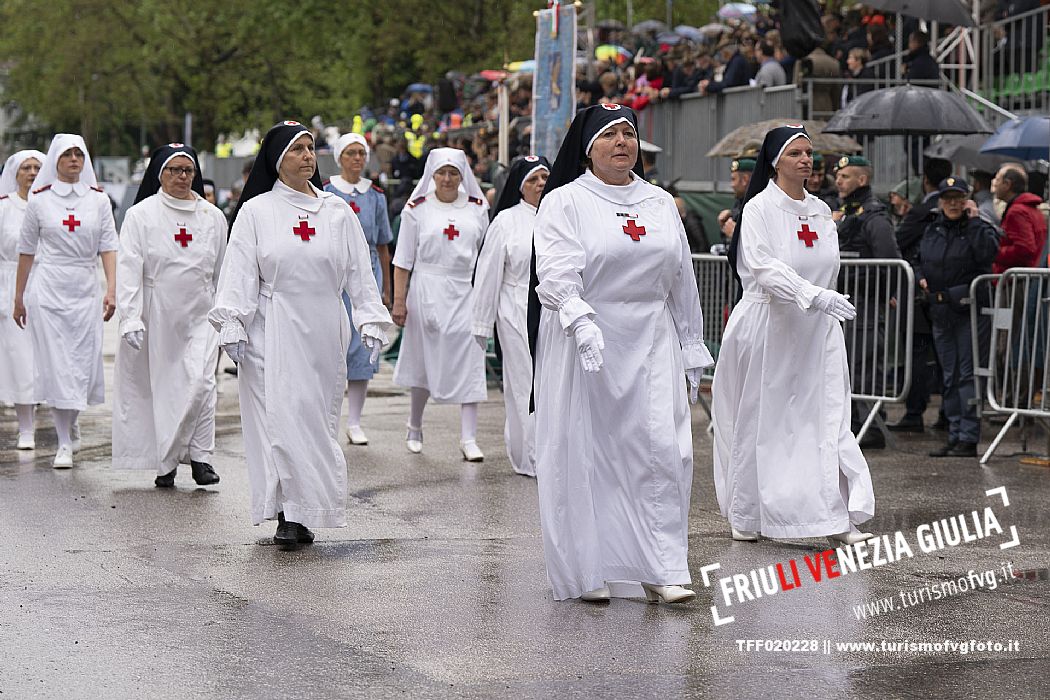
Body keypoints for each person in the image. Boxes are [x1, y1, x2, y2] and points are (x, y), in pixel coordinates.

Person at [528, 103, 713, 604]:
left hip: (651, 338)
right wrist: (578, 317)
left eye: (628, 133)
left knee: (662, 451)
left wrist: (692, 345)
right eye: (609, 134)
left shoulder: (658, 202)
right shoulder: (565, 201)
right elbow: (557, 271)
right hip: (586, 338)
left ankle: (662, 568)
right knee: (589, 452)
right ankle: (591, 568)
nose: (621, 142)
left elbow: (682, 278)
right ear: (589, 147)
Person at [209, 121, 391, 546]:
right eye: (297, 150)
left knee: (314, 419)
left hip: (324, 328)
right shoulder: (256, 212)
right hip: (272, 326)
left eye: (311, 149)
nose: (308, 156)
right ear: (276, 159)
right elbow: (238, 271)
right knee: (279, 419)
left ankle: (307, 503)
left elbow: (358, 272)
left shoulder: (336, 212)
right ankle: (290, 514)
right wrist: (233, 320)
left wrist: (369, 316)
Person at [714, 124, 875, 545]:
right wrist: (811, 295)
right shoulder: (759, 210)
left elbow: (827, 264)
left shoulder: (822, 211)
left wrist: (821, 302)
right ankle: (746, 511)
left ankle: (831, 515)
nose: (806, 160)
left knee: (823, 419)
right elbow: (764, 267)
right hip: (769, 324)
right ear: (774, 161)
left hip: (815, 332)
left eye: (809, 153)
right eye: (796, 154)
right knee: (759, 418)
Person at [112, 143, 227, 487]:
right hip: (158, 312)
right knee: (165, 389)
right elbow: (129, 267)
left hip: (202, 313)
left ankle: (201, 457)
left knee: (203, 384)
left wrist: (228, 314)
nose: (181, 177)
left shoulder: (213, 217)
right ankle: (167, 462)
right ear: (159, 174)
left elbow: (223, 270)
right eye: (174, 170)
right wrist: (130, 317)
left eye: (187, 171)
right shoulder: (141, 214)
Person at [12, 135, 118, 469]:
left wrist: (111, 289)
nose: (74, 159)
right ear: (56, 161)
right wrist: (19, 297)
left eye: (79, 154)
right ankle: (63, 442)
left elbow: (108, 247)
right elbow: (26, 251)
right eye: (67, 154)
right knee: (57, 364)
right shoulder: (40, 202)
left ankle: (71, 419)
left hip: (84, 288)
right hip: (48, 289)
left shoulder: (99, 201)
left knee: (80, 363)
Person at [391, 147, 489, 460]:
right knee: (423, 358)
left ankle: (469, 437)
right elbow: (403, 260)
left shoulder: (477, 207)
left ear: (463, 175)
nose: (447, 179)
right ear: (432, 175)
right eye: (441, 173)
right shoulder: (417, 208)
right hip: (426, 288)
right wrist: (399, 301)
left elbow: (487, 256)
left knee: (470, 357)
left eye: (454, 173)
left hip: (464, 289)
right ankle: (415, 425)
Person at [472, 155, 550, 477]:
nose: (541, 184)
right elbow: (488, 273)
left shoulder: (559, 215)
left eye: (545, 177)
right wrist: (481, 323)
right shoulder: (506, 221)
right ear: (519, 186)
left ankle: (552, 452)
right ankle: (529, 456)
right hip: (515, 308)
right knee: (524, 382)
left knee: (551, 383)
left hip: (553, 311)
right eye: (533, 179)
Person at [917, 178, 1000, 458]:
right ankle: (954, 434)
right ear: (940, 200)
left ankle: (968, 436)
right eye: (948, 198)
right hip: (940, 312)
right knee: (950, 377)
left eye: (958, 198)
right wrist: (921, 278)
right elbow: (918, 259)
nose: (953, 203)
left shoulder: (978, 228)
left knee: (967, 376)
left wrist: (975, 222)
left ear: (967, 200)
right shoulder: (933, 229)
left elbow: (989, 254)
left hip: (969, 312)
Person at [324, 133, 394, 445]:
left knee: (364, 346)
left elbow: (382, 246)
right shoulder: (325, 192)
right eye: (350, 153)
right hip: (335, 274)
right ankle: (329, 416)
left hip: (366, 271)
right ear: (340, 157)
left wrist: (386, 289)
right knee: (334, 342)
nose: (357, 159)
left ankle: (354, 420)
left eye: (361, 153)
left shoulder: (375, 195)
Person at [889, 157, 952, 433]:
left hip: (919, 293)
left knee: (917, 353)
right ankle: (948, 414)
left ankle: (915, 412)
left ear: (926, 180)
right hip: (944, 291)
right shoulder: (954, 208)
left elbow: (898, 242)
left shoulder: (922, 211)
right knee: (944, 355)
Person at [0, 149, 45, 450]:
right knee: (19, 360)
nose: (31, 173)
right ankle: (25, 427)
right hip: (10, 284)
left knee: (49, 358)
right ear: (14, 173)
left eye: (37, 167)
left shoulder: (51, 206)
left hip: (47, 283)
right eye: (26, 168)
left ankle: (68, 424)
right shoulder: (4, 207)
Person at [992, 166, 1046, 274]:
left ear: (1007, 184)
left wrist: (995, 253)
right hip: (1027, 277)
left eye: (997, 179)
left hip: (1017, 281)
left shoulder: (1017, 211)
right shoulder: (1031, 208)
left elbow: (1024, 249)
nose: (994, 183)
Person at [715, 157, 754, 248]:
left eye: (733, 179)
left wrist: (736, 234)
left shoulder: (759, 204)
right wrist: (725, 225)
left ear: (744, 179)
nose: (732, 185)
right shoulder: (739, 202)